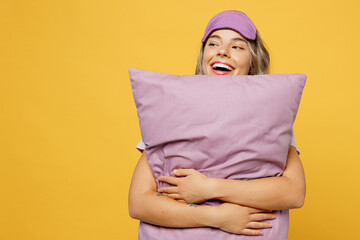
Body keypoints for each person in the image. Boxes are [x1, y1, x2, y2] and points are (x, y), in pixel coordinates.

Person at [129, 10, 306, 239]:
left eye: (237, 47)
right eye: (213, 44)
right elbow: (138, 202)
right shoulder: (171, 112)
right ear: (203, 56)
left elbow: (294, 192)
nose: (222, 51)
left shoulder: (270, 119)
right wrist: (218, 217)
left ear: (252, 62)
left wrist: (209, 188)